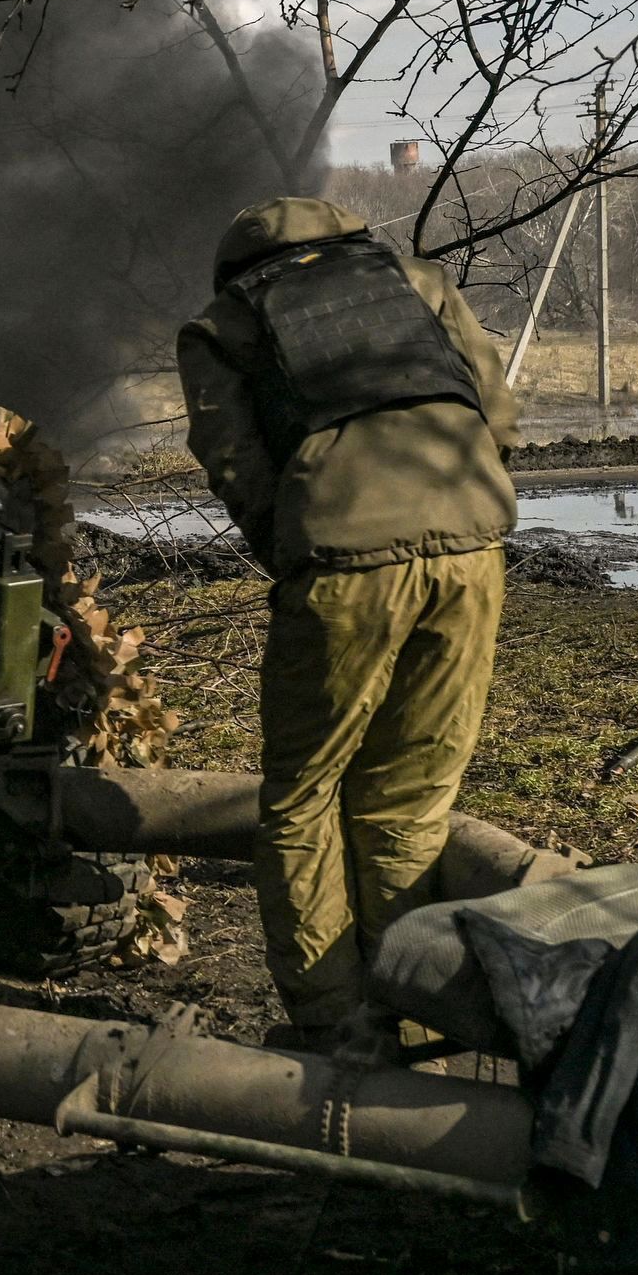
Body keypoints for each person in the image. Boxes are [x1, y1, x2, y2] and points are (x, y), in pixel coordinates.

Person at [178, 197, 520, 1046]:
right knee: (408, 800)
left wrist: (296, 544)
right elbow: (498, 414)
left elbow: (235, 463)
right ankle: (412, 1008)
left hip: (343, 566)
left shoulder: (223, 325)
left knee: (300, 799)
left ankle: (338, 1029)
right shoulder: (419, 280)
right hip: (475, 548)